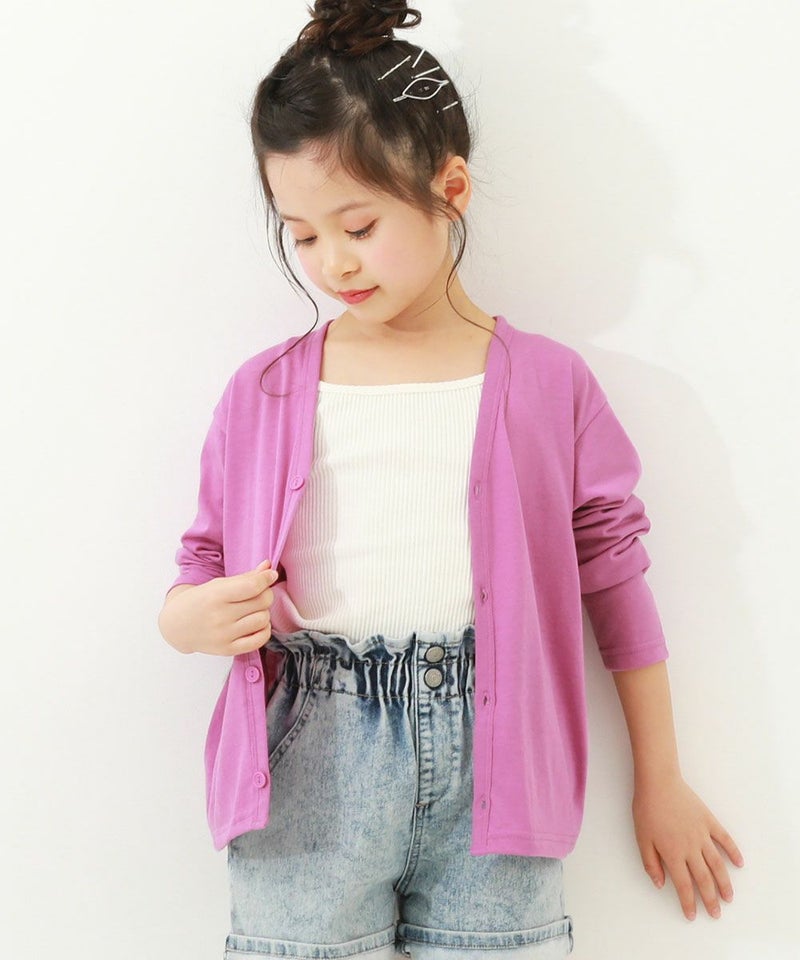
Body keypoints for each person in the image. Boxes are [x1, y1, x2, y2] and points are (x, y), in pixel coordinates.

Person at [158, 2, 744, 957]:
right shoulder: (263, 392)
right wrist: (187, 620)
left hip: (501, 771)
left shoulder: (548, 384)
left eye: (359, 225)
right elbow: (202, 561)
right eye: (302, 236)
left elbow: (615, 578)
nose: (333, 262)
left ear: (451, 188)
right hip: (309, 766)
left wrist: (661, 777)